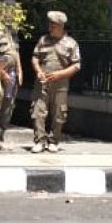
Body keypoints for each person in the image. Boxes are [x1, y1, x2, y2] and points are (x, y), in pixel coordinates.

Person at [30, 10, 81, 153]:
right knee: (38, 111)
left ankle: (53, 141)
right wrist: (38, 71)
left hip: (60, 84)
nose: (49, 27)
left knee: (59, 114)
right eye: (50, 24)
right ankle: (39, 141)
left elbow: (77, 65)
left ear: (60, 26)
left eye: (53, 25)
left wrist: (60, 74)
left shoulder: (71, 43)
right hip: (42, 82)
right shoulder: (43, 40)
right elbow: (35, 58)